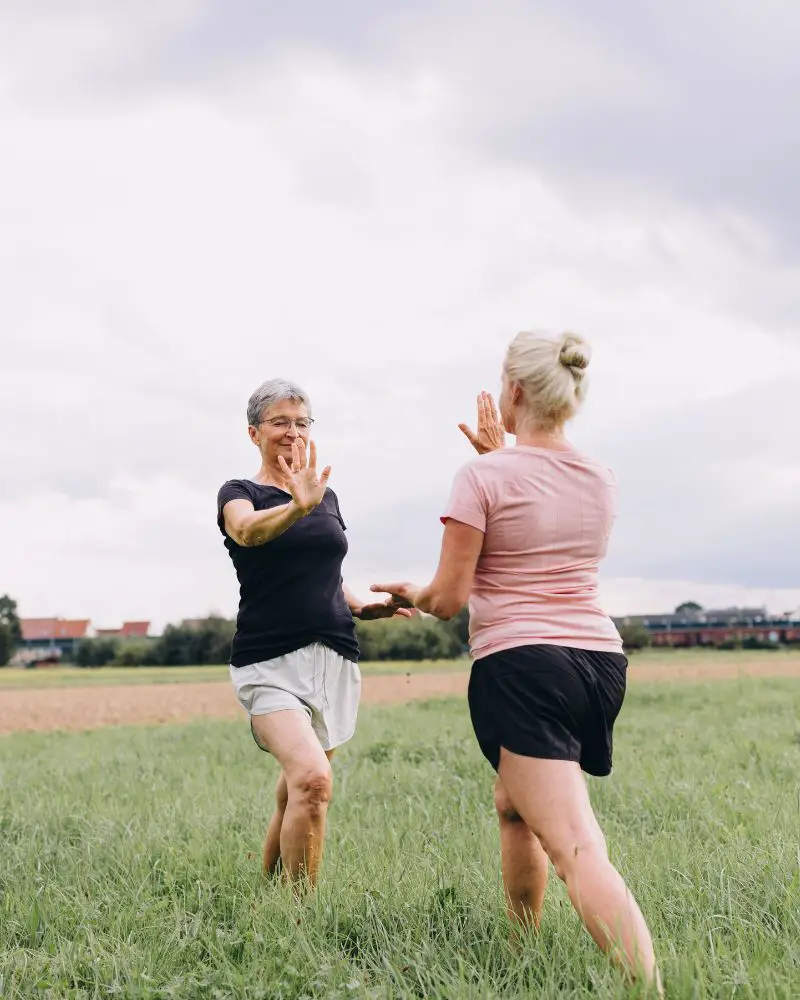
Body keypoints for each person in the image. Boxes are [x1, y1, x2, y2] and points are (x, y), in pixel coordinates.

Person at [372, 333, 662, 990]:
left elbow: (447, 599)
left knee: (577, 848)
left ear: (517, 391)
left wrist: (399, 597)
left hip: (525, 668)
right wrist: (500, 461)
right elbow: (544, 523)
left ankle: (650, 987)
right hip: (598, 664)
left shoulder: (480, 477)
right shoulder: (599, 476)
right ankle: (522, 951)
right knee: (513, 804)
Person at [217, 378, 412, 887]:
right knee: (312, 779)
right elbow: (247, 531)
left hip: (333, 655)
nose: (292, 432)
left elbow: (327, 574)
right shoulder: (239, 493)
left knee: (295, 791)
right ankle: (300, 924)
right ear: (254, 432)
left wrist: (367, 608)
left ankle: (268, 898)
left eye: (301, 423)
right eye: (280, 422)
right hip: (267, 660)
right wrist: (297, 507)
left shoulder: (326, 495)